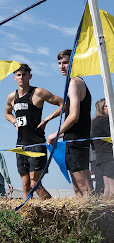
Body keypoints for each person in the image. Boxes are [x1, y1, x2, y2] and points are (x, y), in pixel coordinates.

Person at [4, 64, 62, 199]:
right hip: (20, 146)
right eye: (18, 75)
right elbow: (7, 113)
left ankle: (54, 211)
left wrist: (47, 120)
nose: (21, 77)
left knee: (35, 184)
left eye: (24, 74)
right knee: (25, 185)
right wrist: (14, 122)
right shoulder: (12, 97)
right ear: (14, 77)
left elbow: (64, 103)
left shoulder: (38, 92)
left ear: (30, 76)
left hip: (36, 144)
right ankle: (26, 215)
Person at [47, 50, 93, 197]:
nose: (61, 66)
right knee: (77, 187)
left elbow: (73, 116)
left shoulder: (75, 82)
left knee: (83, 186)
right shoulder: (74, 83)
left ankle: (94, 219)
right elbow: (68, 110)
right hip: (74, 139)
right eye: (59, 63)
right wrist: (48, 119)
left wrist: (56, 134)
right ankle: (84, 219)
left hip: (76, 140)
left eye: (65, 62)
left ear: (74, 62)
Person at [91, 99, 114, 196]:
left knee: (107, 186)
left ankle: (106, 209)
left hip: (101, 156)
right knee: (112, 185)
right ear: (102, 108)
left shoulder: (96, 121)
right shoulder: (104, 121)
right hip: (107, 155)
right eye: (108, 106)